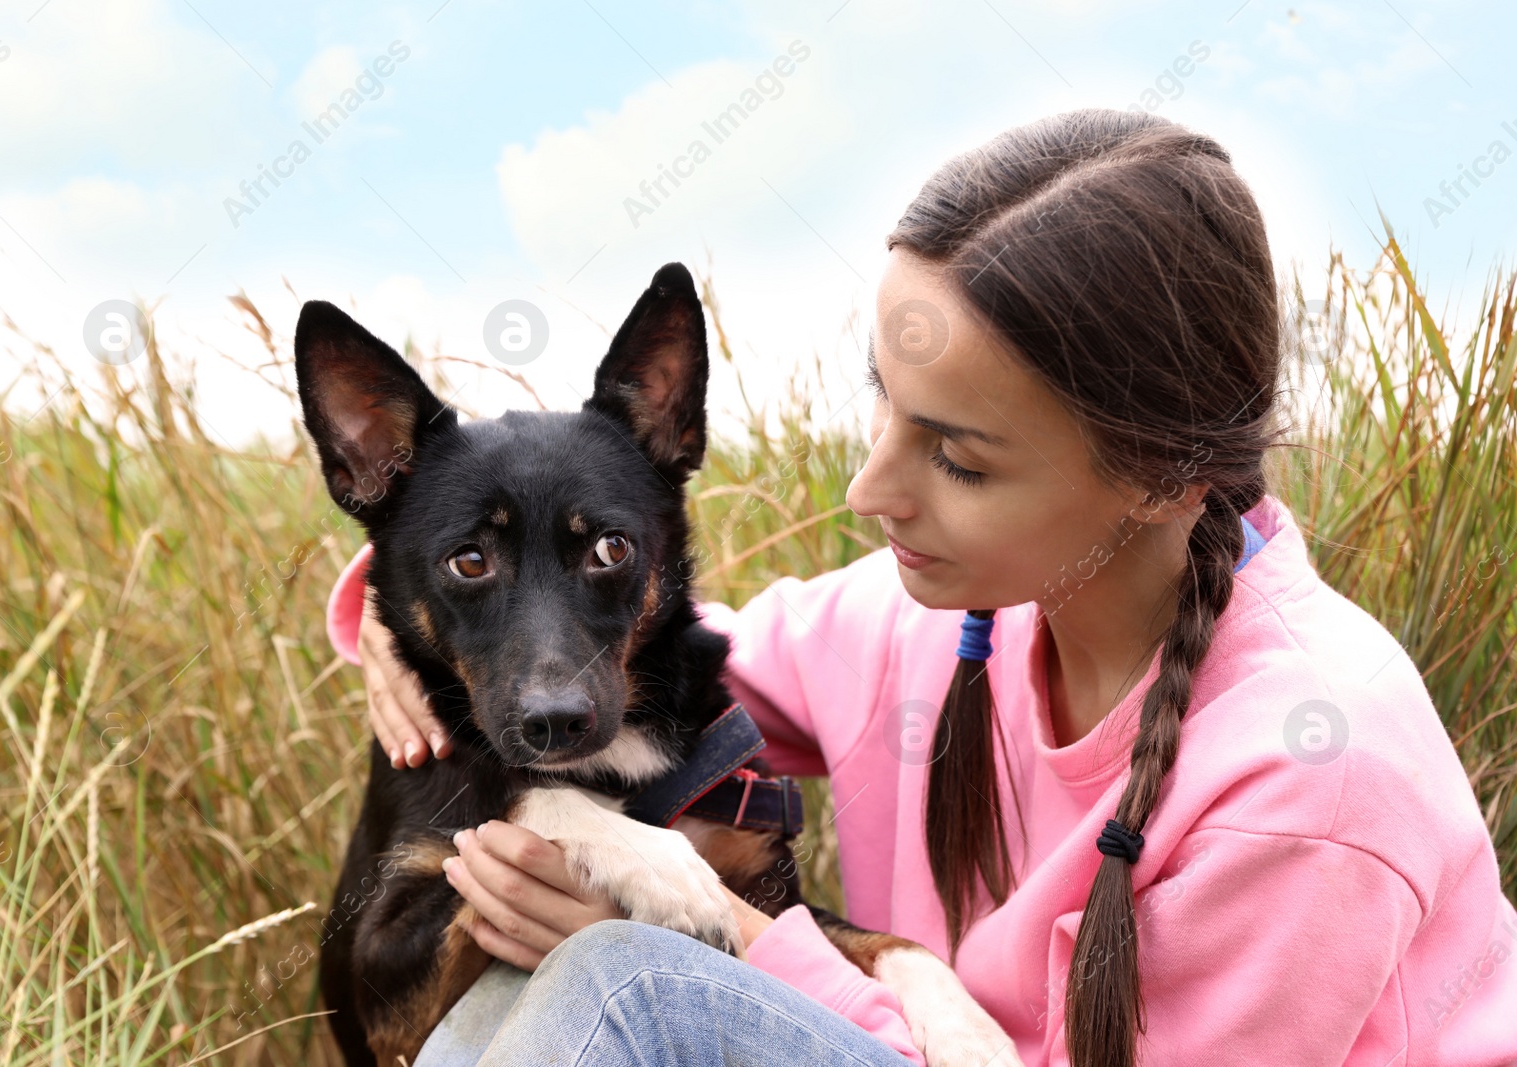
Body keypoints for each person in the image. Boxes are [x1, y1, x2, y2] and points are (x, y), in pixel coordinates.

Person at [322, 108, 1517, 1066]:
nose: (867, 486)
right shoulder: (933, 617)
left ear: (1158, 474)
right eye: (881, 401)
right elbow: (631, 657)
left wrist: (733, 935)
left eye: (955, 456)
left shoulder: (1310, 775)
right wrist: (406, 603)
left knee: (613, 980)